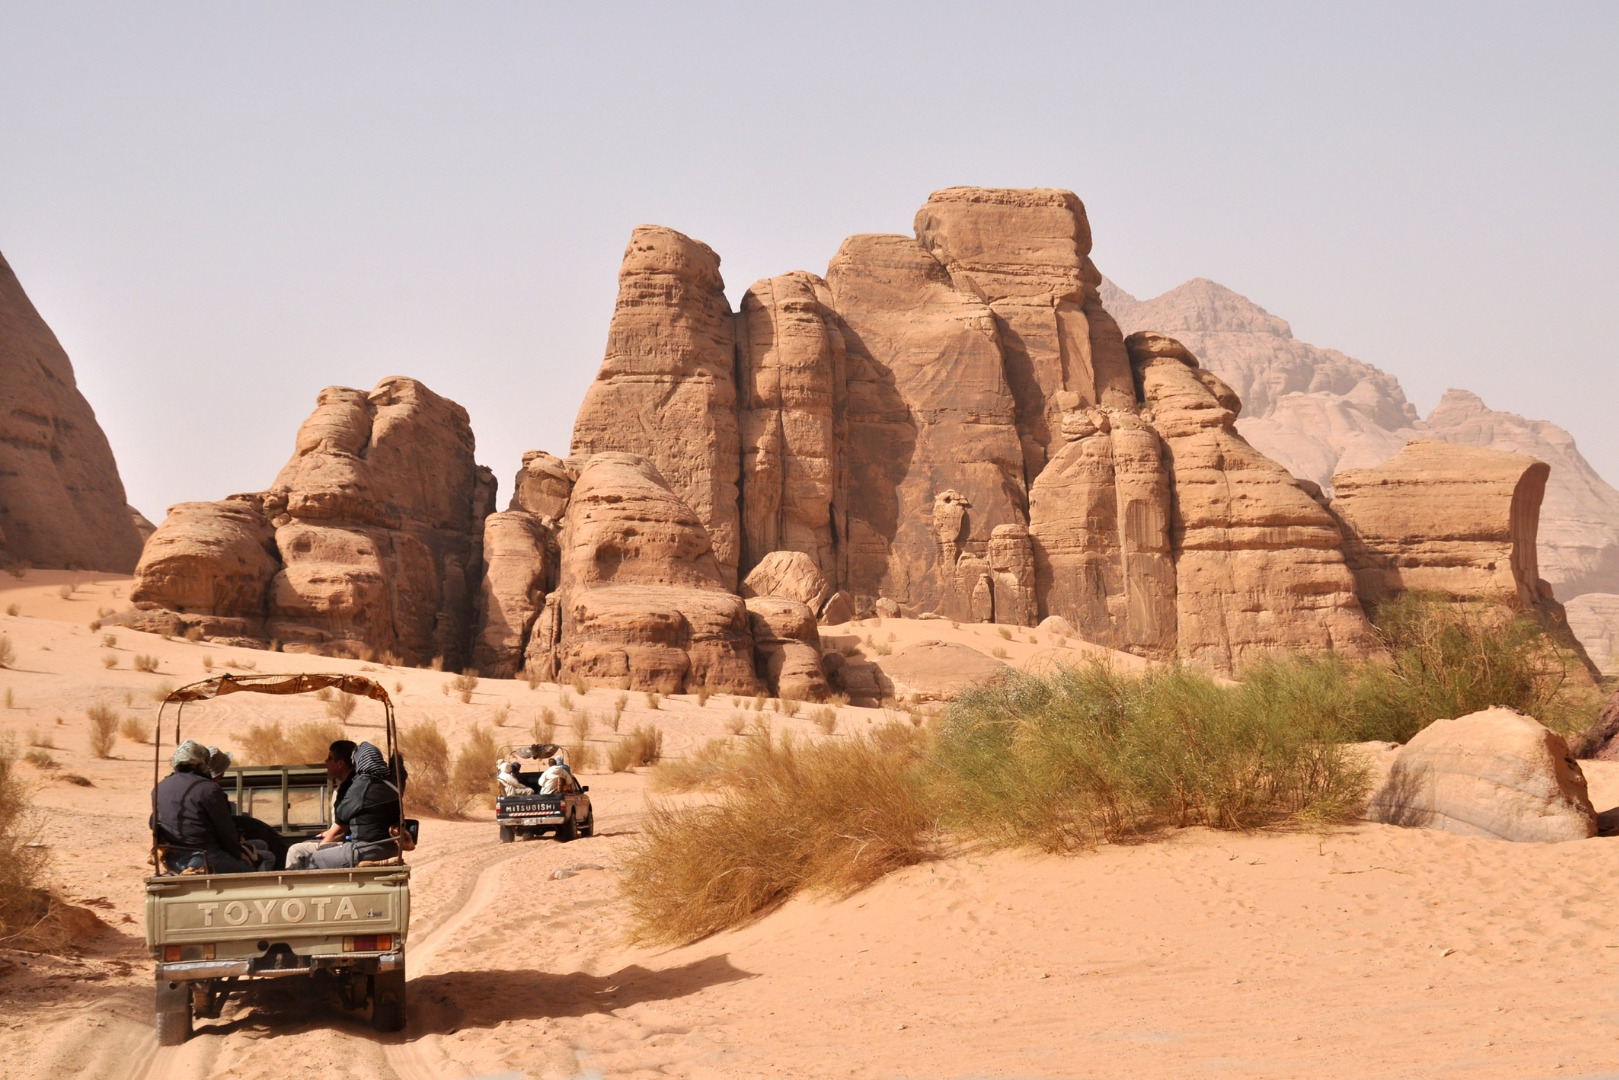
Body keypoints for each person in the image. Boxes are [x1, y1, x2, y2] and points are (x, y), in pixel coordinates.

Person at [286, 742, 402, 870]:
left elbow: (342, 816)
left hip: (364, 847)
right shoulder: (392, 785)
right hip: (387, 846)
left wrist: (321, 847)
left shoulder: (362, 786)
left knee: (312, 860)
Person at [151, 740, 257, 874]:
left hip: (173, 861)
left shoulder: (159, 788)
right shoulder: (209, 788)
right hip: (206, 858)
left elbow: (154, 823)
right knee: (251, 870)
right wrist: (238, 853)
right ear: (200, 763)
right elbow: (225, 829)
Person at [283, 740, 358, 870]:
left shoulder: (349, 788)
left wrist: (321, 849)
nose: (326, 762)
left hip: (347, 842)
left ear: (340, 763)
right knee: (306, 845)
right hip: (344, 838)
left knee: (295, 852)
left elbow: (342, 830)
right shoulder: (349, 784)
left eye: (330, 758)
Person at [205, 747, 280, 870]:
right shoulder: (213, 793)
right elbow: (223, 828)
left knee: (261, 844)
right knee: (268, 857)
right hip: (218, 849)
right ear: (221, 772)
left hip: (217, 845)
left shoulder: (205, 791)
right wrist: (238, 849)